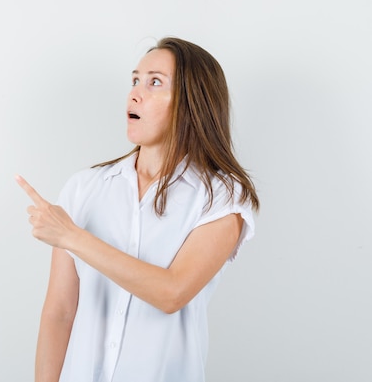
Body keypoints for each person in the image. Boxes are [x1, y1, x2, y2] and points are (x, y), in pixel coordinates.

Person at [16, 37, 260, 382]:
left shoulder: (222, 197)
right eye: (134, 80)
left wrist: (72, 237)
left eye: (154, 82)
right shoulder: (84, 187)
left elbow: (171, 292)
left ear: (192, 102)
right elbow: (59, 312)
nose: (134, 93)